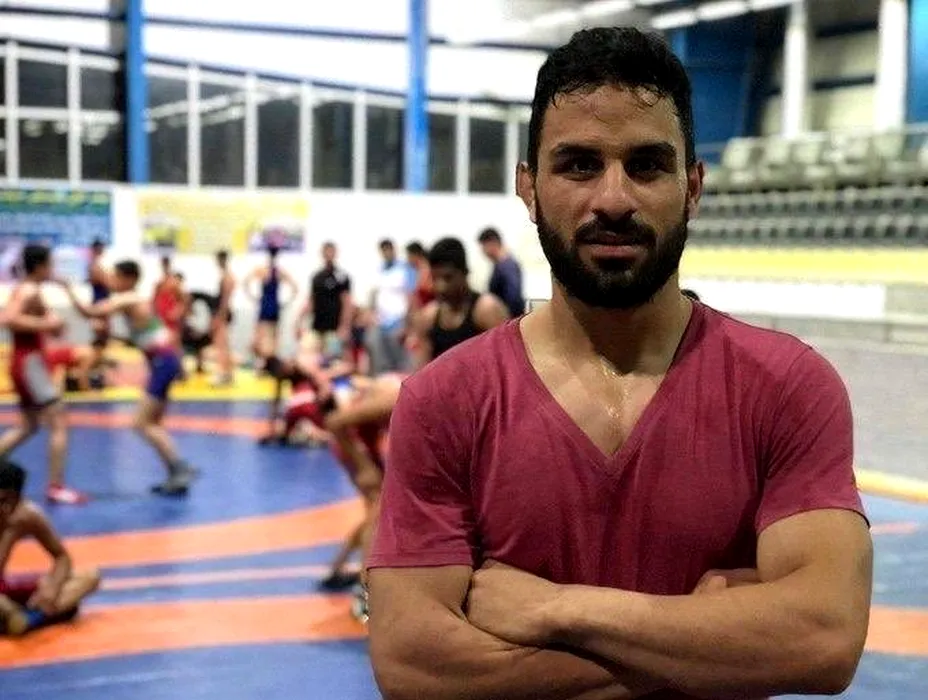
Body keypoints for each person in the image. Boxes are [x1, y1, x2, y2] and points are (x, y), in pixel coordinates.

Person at [366, 27, 872, 700]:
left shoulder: (786, 388)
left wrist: (559, 610)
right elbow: (413, 666)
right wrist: (711, 637)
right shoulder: (444, 402)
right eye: (578, 165)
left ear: (693, 187)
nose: (612, 199)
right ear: (528, 186)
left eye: (647, 165)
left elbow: (822, 640)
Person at [59, 261, 197, 496]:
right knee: (153, 423)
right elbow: (143, 335)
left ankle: (180, 468)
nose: (111, 281)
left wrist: (67, 288)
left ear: (128, 279)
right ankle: (176, 471)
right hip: (164, 361)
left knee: (141, 423)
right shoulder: (134, 301)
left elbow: (89, 312)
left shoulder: (128, 298)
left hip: (163, 362)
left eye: (115, 277)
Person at [0, 245, 86, 505]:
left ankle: (56, 486)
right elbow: (9, 319)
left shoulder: (30, 290)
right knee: (59, 422)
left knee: (28, 426)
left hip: (26, 362)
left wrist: (51, 325)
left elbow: (44, 325)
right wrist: (47, 324)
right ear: (39, 266)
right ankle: (56, 487)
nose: (53, 270)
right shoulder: (28, 290)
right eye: (50, 265)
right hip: (30, 365)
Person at [0, 460, 101, 636]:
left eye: (10, 501)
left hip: (6, 589)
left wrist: (52, 589)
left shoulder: (26, 515)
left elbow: (62, 558)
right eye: (0, 501)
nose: (5, 508)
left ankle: (25, 620)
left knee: (90, 577)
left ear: (19, 498)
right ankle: (32, 617)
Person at [410, 237, 509, 368]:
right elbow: (420, 371)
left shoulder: (487, 310)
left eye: (448, 278)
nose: (441, 286)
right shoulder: (429, 317)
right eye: (435, 278)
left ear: (464, 273)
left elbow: (507, 364)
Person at [298, 242, 352, 356]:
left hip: (334, 329)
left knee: (332, 360)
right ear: (322, 253)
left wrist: (345, 326)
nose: (328, 254)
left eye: (331, 251)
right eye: (326, 251)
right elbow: (311, 301)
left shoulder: (342, 276)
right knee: (308, 355)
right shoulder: (316, 277)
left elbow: (347, 303)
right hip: (317, 327)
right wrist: (299, 321)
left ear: (335, 253)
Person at [245, 245, 297, 362]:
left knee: (263, 334)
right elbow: (295, 288)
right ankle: (267, 360)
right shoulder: (278, 272)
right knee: (270, 335)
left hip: (267, 304)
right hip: (272, 305)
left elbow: (246, 282)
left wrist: (253, 298)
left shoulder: (264, 270)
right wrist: (286, 303)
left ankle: (265, 361)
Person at [371, 239, 415, 373]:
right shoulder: (380, 270)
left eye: (388, 249)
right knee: (384, 367)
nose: (386, 253)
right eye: (383, 250)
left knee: (402, 366)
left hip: (399, 323)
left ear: (393, 249)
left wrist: (407, 324)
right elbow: (375, 294)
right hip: (381, 324)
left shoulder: (405, 268)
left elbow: (411, 296)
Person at [477, 227, 526, 318]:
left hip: (508, 319)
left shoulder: (507, 266)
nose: (483, 252)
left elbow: (513, 299)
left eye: (484, 247)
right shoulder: (501, 265)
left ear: (492, 243)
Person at [86, 239, 111, 371]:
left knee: (103, 334)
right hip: (100, 302)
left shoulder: (95, 265)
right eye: (101, 248)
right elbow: (107, 282)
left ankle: (97, 360)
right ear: (97, 249)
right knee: (101, 334)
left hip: (101, 301)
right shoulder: (95, 266)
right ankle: (94, 361)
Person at [212, 250, 236, 385]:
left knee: (221, 345)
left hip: (224, 313)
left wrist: (220, 316)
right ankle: (228, 373)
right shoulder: (226, 275)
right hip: (224, 312)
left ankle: (224, 373)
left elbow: (225, 300)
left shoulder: (227, 277)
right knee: (224, 344)